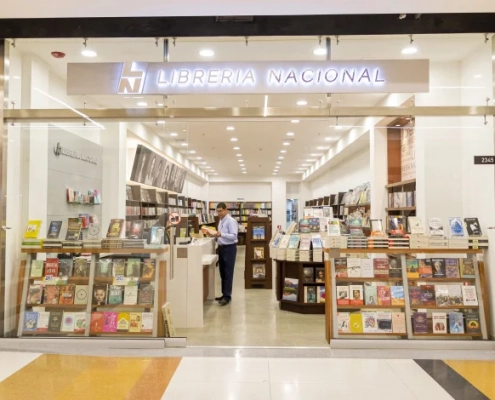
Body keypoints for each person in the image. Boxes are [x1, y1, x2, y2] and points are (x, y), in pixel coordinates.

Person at [207, 202, 238, 306]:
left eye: (221, 211)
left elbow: (234, 236)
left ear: (226, 210)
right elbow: (220, 235)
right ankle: (224, 293)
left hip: (229, 248)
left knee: (228, 273)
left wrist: (221, 234)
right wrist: (213, 234)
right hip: (221, 248)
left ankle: (227, 296)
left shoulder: (231, 221)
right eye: (218, 211)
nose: (219, 213)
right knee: (222, 272)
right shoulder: (220, 221)